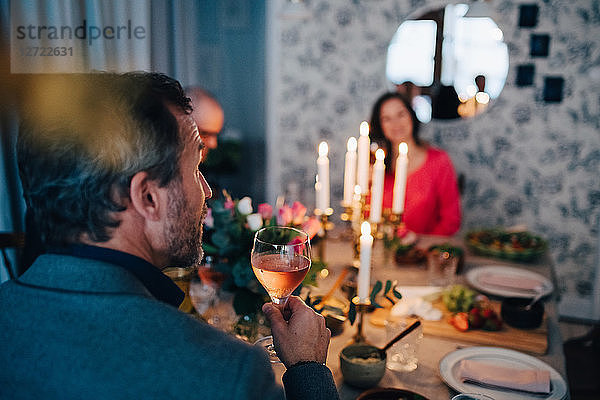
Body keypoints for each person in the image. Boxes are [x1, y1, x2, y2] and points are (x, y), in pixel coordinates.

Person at [0, 72, 338, 399]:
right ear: (148, 197)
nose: (206, 191)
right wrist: (308, 369)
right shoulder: (227, 372)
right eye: (195, 169)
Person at [370, 92, 461, 236]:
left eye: (401, 114)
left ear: (411, 115)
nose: (396, 124)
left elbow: (451, 220)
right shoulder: (375, 166)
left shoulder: (439, 161)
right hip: (382, 249)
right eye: (386, 119)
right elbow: (367, 217)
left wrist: (420, 244)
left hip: (424, 252)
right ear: (380, 126)